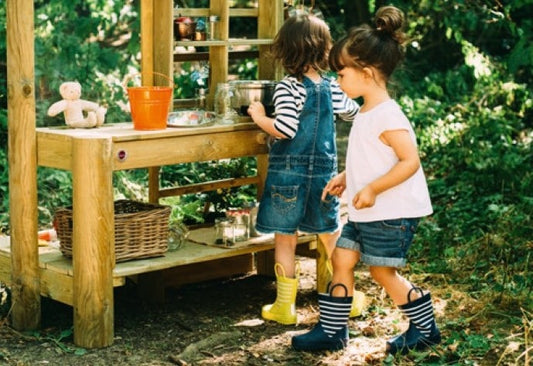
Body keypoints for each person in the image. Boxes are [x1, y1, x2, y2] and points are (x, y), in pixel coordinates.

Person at [291, 6, 442, 354]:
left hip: (390, 212)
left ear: (368, 73)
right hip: (365, 211)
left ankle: (425, 327)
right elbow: (373, 157)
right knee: (341, 260)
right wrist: (348, 177)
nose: (337, 81)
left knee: (381, 272)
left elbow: (409, 162)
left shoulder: (389, 115)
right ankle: (332, 331)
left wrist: (372, 188)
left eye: (341, 73)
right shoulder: (367, 111)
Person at [247, 13, 365, 326]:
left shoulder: (288, 88)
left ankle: (284, 307)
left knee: (285, 239)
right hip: (324, 176)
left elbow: (283, 128)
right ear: (324, 50)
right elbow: (354, 113)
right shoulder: (332, 87)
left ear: (286, 52)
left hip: (288, 175)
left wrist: (259, 116)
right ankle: (346, 298)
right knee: (331, 234)